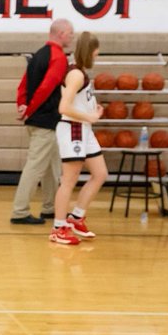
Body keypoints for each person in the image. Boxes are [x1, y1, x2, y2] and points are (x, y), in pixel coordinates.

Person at [10, 18, 73, 225]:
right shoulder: (58, 57)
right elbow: (46, 88)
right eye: (70, 33)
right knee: (35, 167)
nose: (72, 37)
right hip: (44, 120)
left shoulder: (39, 54)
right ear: (62, 34)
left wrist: (22, 105)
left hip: (44, 121)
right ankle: (20, 211)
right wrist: (29, 110)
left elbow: (24, 84)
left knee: (52, 166)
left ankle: (51, 207)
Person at [48, 32, 108, 245]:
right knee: (69, 179)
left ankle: (76, 216)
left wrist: (93, 108)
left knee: (100, 173)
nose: (96, 57)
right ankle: (58, 227)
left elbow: (80, 100)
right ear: (89, 52)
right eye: (95, 54)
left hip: (84, 128)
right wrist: (89, 115)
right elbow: (64, 107)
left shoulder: (79, 71)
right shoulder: (76, 74)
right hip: (73, 128)